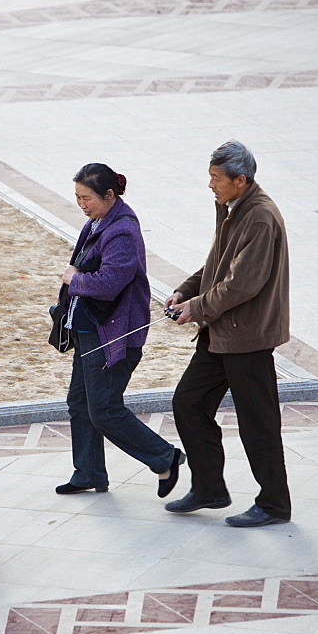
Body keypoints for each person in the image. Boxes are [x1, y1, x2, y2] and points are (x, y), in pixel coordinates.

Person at [164, 140, 291, 528]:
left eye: (216, 178)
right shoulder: (231, 208)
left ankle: (274, 505)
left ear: (241, 179)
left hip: (248, 339)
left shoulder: (260, 217)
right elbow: (216, 264)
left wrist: (196, 308)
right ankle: (209, 488)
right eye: (210, 176)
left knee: (258, 424)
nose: (210, 185)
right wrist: (186, 290)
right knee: (188, 402)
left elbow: (241, 285)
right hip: (220, 333)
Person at [55, 163, 183, 498]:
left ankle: (165, 457)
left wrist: (74, 279)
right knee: (80, 403)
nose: (82, 205)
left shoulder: (122, 231)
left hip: (113, 334)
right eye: (78, 198)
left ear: (110, 195)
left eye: (88, 198)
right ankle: (88, 473)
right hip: (89, 329)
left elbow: (110, 283)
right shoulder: (99, 221)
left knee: (105, 410)